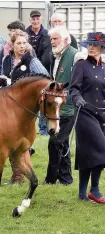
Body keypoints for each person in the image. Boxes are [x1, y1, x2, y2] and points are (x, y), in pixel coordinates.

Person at [2, 30, 49, 184]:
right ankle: (17, 175)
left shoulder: (32, 61)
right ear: (12, 44)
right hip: (9, 107)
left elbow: (46, 79)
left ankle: (21, 175)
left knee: (20, 142)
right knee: (9, 140)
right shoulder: (6, 60)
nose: (22, 46)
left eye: (24, 43)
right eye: (18, 43)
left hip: (26, 110)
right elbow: (2, 76)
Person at [70, 32, 105, 203]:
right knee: (102, 148)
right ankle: (95, 189)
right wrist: (78, 99)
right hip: (84, 113)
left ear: (101, 48)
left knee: (86, 154)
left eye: (94, 45)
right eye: (89, 45)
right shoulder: (81, 65)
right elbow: (73, 89)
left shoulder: (104, 67)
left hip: (102, 115)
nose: (91, 47)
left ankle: (83, 193)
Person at [44, 27, 77, 185]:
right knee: (61, 143)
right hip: (56, 108)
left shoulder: (75, 54)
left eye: (55, 39)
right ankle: (66, 178)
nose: (52, 42)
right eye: (52, 39)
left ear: (65, 40)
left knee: (55, 142)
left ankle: (51, 179)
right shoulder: (55, 56)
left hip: (69, 108)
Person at [26, 10, 52, 136]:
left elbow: (47, 54)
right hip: (29, 69)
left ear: (41, 19)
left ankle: (43, 128)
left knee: (43, 98)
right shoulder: (26, 33)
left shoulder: (47, 34)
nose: (35, 21)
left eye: (37, 18)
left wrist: (41, 69)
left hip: (43, 70)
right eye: (33, 19)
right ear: (30, 20)